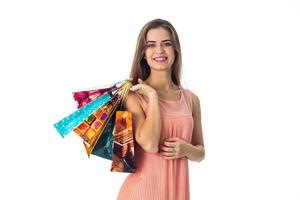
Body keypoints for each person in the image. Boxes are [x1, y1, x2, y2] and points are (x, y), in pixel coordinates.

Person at [117, 18, 205, 200]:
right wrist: (153, 97)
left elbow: (200, 153)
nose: (159, 51)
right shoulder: (133, 96)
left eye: (166, 44)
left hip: (177, 193)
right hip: (141, 193)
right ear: (143, 53)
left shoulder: (191, 99)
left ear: (175, 50)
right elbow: (149, 144)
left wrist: (186, 150)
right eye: (151, 45)